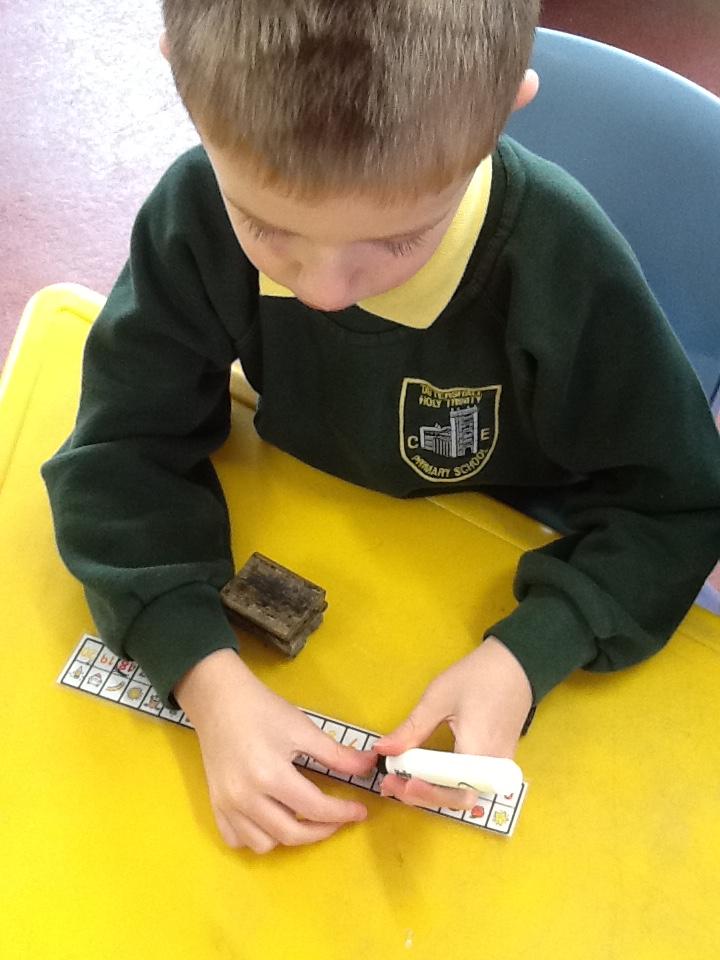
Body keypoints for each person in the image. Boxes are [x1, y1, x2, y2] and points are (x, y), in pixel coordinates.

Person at [42, 0, 720, 855]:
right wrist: (203, 675)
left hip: (518, 531)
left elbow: (679, 503)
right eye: (269, 228)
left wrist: (531, 651)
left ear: (507, 109)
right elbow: (121, 446)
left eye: (398, 241)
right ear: (180, 74)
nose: (325, 291)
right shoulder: (194, 212)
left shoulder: (561, 263)